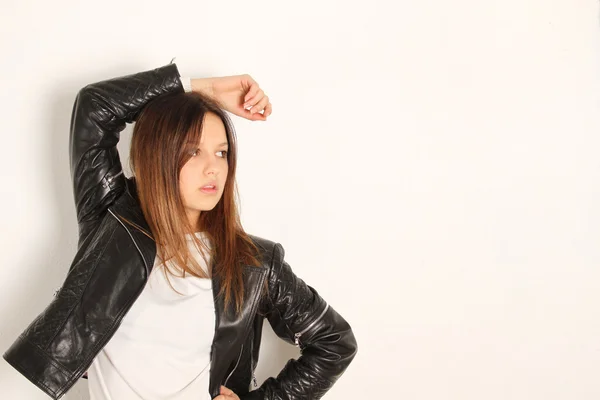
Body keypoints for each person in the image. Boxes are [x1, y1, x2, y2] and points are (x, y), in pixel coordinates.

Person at [2, 61, 358, 400]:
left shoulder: (254, 264)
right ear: (159, 156)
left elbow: (335, 342)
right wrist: (206, 89)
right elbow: (95, 107)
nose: (213, 169)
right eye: (193, 152)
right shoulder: (112, 224)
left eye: (221, 153)